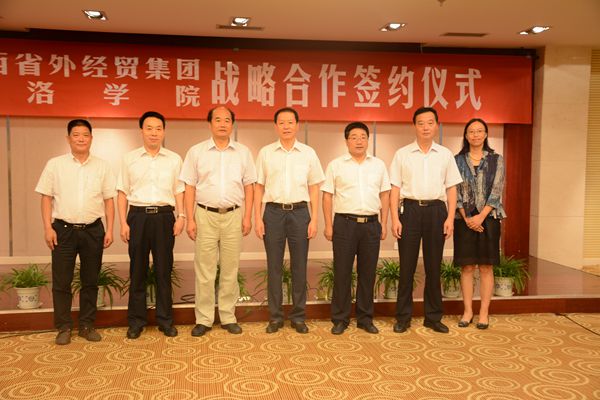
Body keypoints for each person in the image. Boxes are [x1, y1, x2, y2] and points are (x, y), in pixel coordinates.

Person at [35, 119, 116, 345]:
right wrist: (47, 227)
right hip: (63, 230)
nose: (81, 139)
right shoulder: (55, 165)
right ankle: (63, 327)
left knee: (90, 280)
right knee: (62, 282)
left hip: (93, 230)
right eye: (76, 134)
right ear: (68, 138)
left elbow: (109, 200)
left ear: (91, 138)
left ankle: (87, 325)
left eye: (85, 135)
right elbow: (46, 197)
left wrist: (110, 229)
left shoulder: (102, 166)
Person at [180, 106, 256, 337]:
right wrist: (190, 218)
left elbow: (249, 186)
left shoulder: (243, 152)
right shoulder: (196, 152)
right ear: (210, 123)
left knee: (230, 269)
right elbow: (189, 187)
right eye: (218, 120)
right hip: (204, 215)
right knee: (205, 270)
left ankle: (228, 316)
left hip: (234, 215)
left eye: (227, 120)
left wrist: (247, 216)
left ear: (232, 124)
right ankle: (203, 319)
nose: (222, 124)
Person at [390, 106, 462, 334]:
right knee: (406, 267)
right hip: (409, 211)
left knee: (433, 266)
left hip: (436, 212)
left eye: (430, 123)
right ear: (414, 126)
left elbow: (452, 188)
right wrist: (395, 219)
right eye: (421, 123)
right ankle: (403, 317)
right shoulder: (402, 154)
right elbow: (394, 189)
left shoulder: (445, 154)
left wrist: (450, 218)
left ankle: (433, 317)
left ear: (436, 125)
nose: (425, 127)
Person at [254, 107, 325, 334]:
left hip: (300, 213)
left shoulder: (308, 153)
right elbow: (258, 187)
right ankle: (275, 317)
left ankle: (298, 316)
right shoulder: (266, 153)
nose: (286, 126)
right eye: (282, 122)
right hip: (273, 213)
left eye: (290, 122)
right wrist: (257, 217)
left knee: (299, 266)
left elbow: (314, 187)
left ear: (297, 125)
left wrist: (314, 219)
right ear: (276, 126)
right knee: (274, 267)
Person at [117, 111, 185, 339]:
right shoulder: (129, 159)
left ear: (163, 132)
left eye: (158, 128)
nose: (154, 133)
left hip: (165, 217)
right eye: (149, 128)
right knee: (137, 270)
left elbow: (179, 190)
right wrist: (123, 222)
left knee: (164, 270)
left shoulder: (174, 159)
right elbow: (122, 192)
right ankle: (136, 321)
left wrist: (181, 216)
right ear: (141, 131)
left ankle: (165, 320)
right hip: (137, 217)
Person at [321, 122, 390, 335]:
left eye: (363, 137)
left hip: (371, 224)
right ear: (346, 141)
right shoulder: (336, 165)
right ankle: (340, 318)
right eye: (354, 137)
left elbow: (385, 194)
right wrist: (328, 225)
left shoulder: (378, 165)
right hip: (344, 223)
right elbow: (327, 196)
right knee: (342, 272)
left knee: (368, 273)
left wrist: (384, 223)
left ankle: (365, 318)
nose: (359, 141)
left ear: (368, 140)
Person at [454, 118, 505, 330]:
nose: (475, 135)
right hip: (463, 219)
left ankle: (484, 312)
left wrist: (480, 217)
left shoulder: (496, 159)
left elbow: (496, 190)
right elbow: (454, 190)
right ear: (466, 136)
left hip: (489, 219)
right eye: (471, 131)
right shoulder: (457, 160)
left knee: (486, 266)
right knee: (466, 267)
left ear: (485, 134)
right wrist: (467, 217)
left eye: (479, 131)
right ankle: (468, 311)